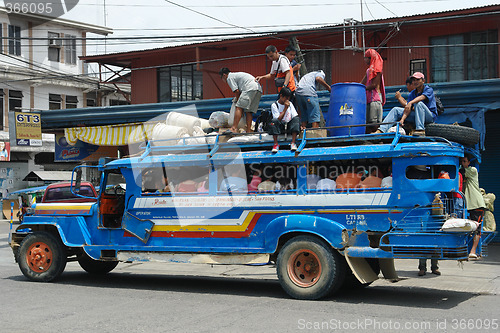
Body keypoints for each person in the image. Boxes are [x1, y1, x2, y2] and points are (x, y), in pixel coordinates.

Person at [378, 72, 437, 136]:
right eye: (414, 80)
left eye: (418, 80)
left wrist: (411, 102)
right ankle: (381, 130)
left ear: (423, 81)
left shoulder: (428, 89)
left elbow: (422, 97)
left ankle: (420, 129)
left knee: (418, 103)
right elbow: (408, 108)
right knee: (396, 110)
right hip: (416, 116)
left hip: (428, 116)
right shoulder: (412, 93)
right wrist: (402, 120)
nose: (415, 82)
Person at [219, 67, 262, 133]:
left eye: (221, 78)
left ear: (224, 75)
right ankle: (248, 131)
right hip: (258, 89)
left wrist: (239, 103)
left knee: (239, 107)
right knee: (249, 111)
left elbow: (236, 91)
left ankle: (234, 128)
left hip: (249, 88)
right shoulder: (236, 75)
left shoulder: (229, 78)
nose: (223, 80)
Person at [460, 154, 486, 259]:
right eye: (461, 161)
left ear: (469, 162)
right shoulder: (463, 172)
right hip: (468, 205)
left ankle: (473, 251)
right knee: (467, 228)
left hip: (476, 204)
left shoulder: (473, 170)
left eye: (464, 161)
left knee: (477, 229)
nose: (463, 163)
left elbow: (461, 172)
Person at [267, 87, 300, 153]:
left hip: (289, 126)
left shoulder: (290, 104)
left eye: (289, 98)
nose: (287, 100)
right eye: (286, 98)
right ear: (281, 96)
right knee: (274, 121)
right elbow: (278, 119)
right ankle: (276, 144)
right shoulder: (274, 105)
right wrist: (285, 109)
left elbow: (295, 116)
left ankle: (293, 143)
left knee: (296, 119)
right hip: (280, 126)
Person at [361, 49, 386, 131]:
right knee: (368, 122)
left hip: (375, 99)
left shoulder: (377, 70)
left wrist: (361, 88)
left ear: (370, 58)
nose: (364, 60)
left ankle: (376, 139)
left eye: (365, 58)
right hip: (369, 99)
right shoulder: (369, 71)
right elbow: (362, 82)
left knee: (374, 123)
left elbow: (374, 85)